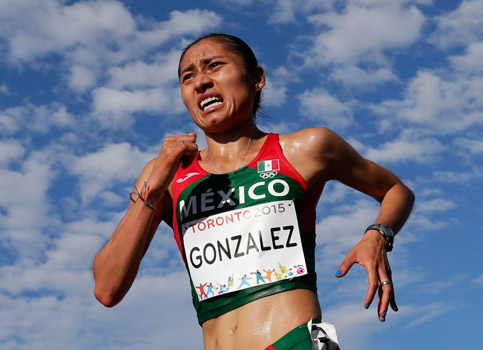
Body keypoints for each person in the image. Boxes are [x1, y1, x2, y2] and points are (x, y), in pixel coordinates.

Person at [93, 33, 414, 350]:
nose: (200, 81)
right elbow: (108, 289)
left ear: (257, 78)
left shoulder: (306, 148)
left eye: (214, 66)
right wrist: (151, 193)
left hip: (293, 342)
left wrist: (377, 234)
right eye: (187, 76)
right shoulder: (165, 174)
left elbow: (396, 190)